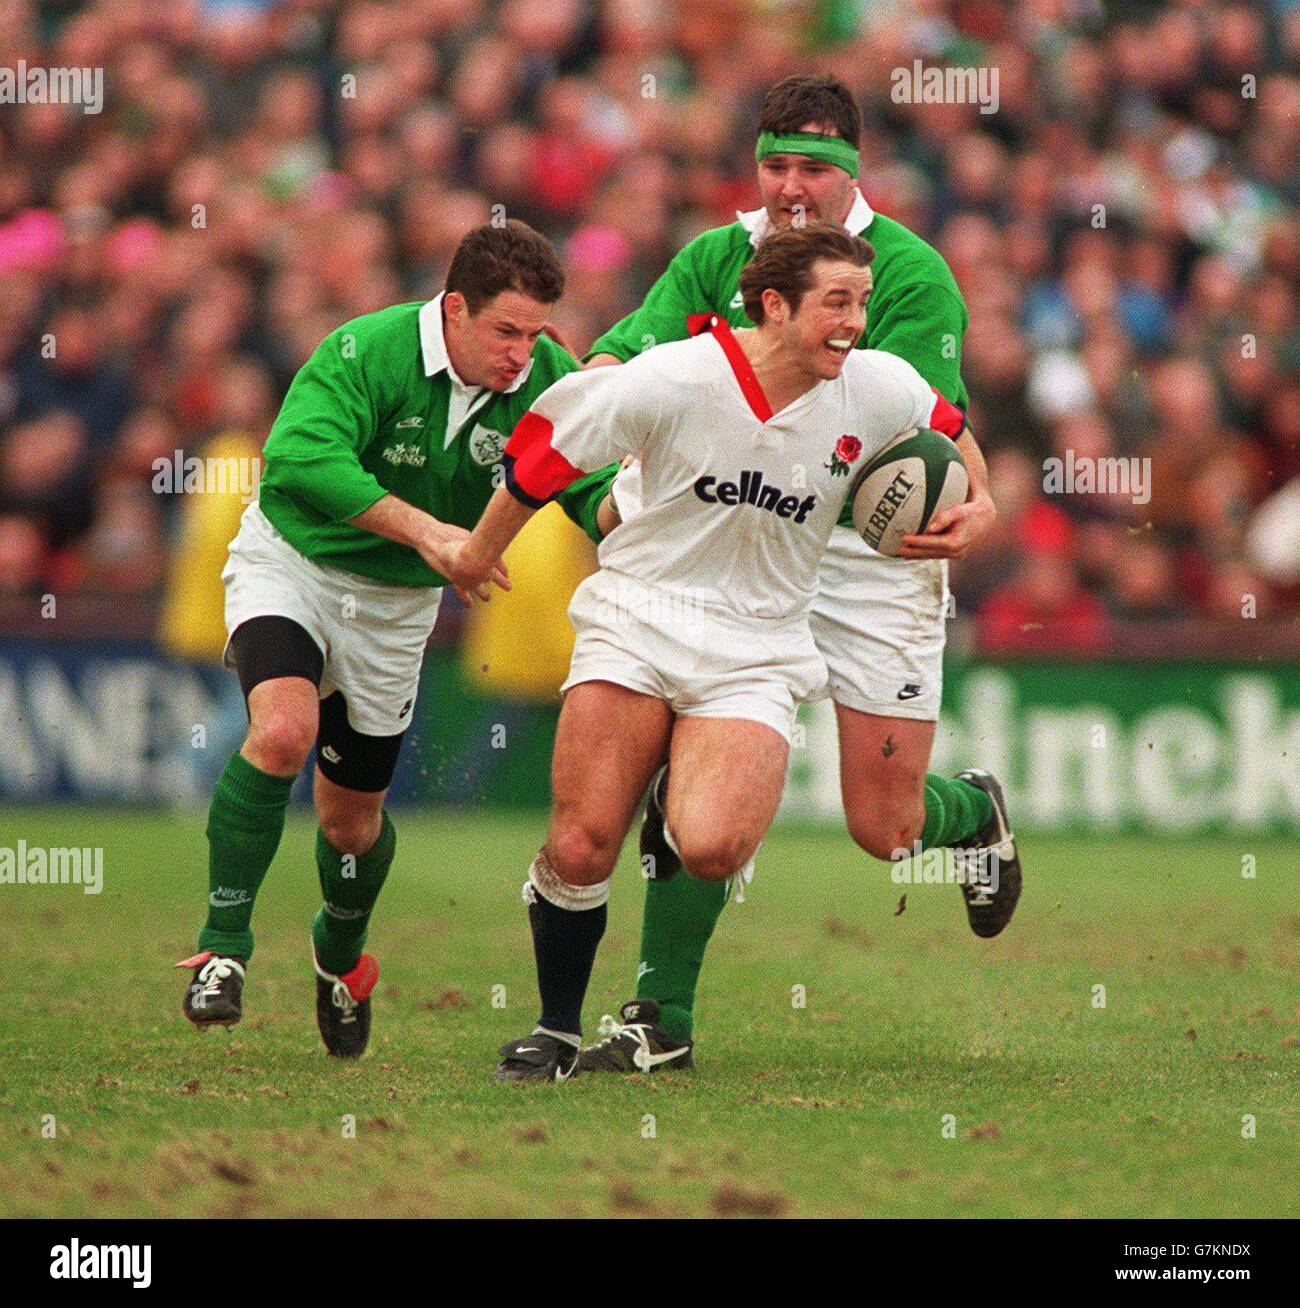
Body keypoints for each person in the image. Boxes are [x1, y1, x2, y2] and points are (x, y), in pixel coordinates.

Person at [563, 74, 1023, 1073]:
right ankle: (660, 1019)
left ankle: (971, 813)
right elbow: (615, 368)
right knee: (689, 784)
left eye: (812, 167)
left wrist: (976, 497)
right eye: (774, 163)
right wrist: (594, 456)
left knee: (883, 824)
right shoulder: (711, 258)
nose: (788, 185)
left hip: (867, 557)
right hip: (744, 548)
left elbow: (932, 427)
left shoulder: (907, 273)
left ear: (852, 173)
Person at [442, 222, 975, 1082]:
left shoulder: (878, 389)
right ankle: (556, 1028)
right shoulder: (678, 376)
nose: (854, 322)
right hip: (640, 617)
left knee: (713, 846)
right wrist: (476, 551)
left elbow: (949, 429)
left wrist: (976, 504)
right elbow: (544, 449)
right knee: (580, 848)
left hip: (758, 644)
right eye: (837, 303)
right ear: (775, 304)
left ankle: (675, 787)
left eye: (863, 304)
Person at [175, 220, 603, 1057]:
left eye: (537, 333)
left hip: (395, 610)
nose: (523, 353)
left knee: (351, 826)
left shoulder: (547, 379)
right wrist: (427, 532)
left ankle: (339, 956)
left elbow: (585, 488)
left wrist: (633, 523)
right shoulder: (366, 349)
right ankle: (222, 951)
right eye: (505, 331)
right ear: (453, 310)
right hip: (293, 565)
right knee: (282, 731)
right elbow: (299, 457)